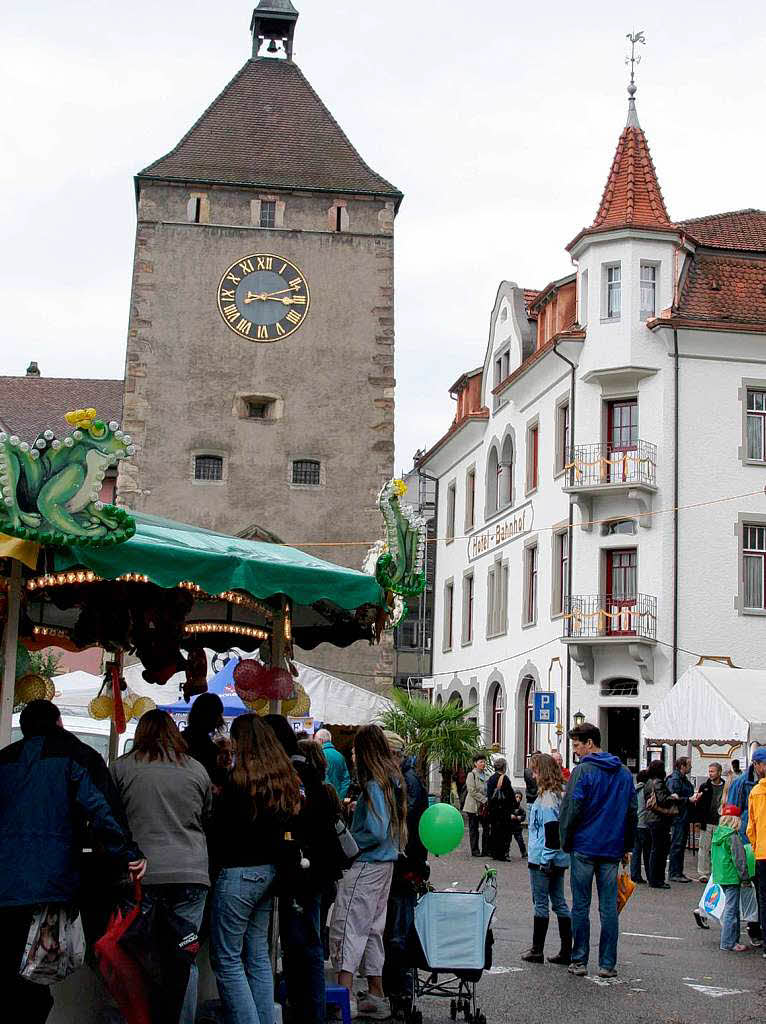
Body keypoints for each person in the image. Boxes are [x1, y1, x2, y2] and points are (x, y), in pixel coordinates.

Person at [0, 700, 145, 1024]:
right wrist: (129, 854)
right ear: (58, 722)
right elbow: (102, 810)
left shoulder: (5, 759)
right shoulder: (75, 754)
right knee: (35, 972)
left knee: (11, 973)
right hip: (49, 882)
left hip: (6, 884)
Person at [111, 710, 212, 1024]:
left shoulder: (121, 768)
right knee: (184, 957)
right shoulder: (197, 770)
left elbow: (109, 820)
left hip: (141, 875)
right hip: (191, 872)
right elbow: (207, 815)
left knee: (137, 955)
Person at [209, 714, 302, 1024]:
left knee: (227, 959)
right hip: (269, 873)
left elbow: (219, 830)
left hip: (237, 872)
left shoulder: (237, 782)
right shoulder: (282, 778)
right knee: (257, 955)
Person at [265, 714, 340, 1024]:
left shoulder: (293, 777)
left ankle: (308, 1012)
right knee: (306, 943)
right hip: (316, 870)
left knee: (303, 945)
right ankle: (309, 1009)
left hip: (303, 870)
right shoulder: (310, 776)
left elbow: (294, 824)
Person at [330, 724, 407, 1020]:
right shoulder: (391, 780)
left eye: (353, 750)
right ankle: (376, 994)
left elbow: (375, 830)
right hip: (385, 864)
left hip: (366, 864)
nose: (351, 754)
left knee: (349, 927)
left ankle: (343, 997)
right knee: (373, 930)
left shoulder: (374, 783)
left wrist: (351, 842)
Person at [559, 722, 637, 979]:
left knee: (580, 905)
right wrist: (627, 845)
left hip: (584, 845)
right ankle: (607, 963)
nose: (576, 751)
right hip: (611, 847)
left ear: (589, 743)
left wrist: (566, 839)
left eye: (577, 745)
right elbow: (631, 812)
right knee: (608, 908)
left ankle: (579, 959)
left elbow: (572, 808)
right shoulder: (624, 774)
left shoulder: (583, 772)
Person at [521, 753, 571, 966]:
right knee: (559, 902)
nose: (533, 774)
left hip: (543, 858)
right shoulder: (558, 793)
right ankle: (566, 949)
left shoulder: (547, 799)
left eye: (535, 770)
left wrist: (545, 860)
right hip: (557, 858)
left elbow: (551, 833)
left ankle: (537, 949)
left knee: (540, 903)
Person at [712, 803, 751, 953]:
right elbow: (739, 860)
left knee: (731, 909)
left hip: (720, 876)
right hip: (732, 877)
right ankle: (728, 942)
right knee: (731, 910)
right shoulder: (733, 837)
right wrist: (745, 877)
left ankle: (732, 940)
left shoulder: (717, 835)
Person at [643, 759, 677, 889]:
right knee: (660, 850)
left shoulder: (648, 782)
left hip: (650, 818)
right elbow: (663, 800)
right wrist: (674, 797)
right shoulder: (659, 783)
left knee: (654, 850)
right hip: (659, 819)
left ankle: (653, 877)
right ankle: (657, 879)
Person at [746, 746, 766, 958]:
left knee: (764, 898)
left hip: (762, 852)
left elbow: (750, 828)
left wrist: (755, 844)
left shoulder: (756, 792)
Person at [182, 692, 226, 788]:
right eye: (219, 715)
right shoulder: (209, 748)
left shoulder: (179, 739)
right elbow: (218, 780)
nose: (220, 720)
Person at [487, 757, 527, 861]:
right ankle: (503, 853)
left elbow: (489, 795)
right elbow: (510, 796)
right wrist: (514, 806)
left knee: (495, 831)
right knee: (505, 833)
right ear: (504, 767)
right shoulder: (505, 779)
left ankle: (494, 853)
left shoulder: (491, 779)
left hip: (494, 810)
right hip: (504, 810)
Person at [695, 762, 726, 883]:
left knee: (718, 849)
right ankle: (703, 873)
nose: (710, 774)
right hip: (706, 821)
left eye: (713, 771)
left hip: (720, 822)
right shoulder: (705, 786)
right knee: (704, 847)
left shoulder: (725, 786)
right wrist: (698, 820)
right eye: (709, 771)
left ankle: (716, 872)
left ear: (719, 772)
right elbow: (700, 804)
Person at [666, 756, 695, 883]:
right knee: (677, 844)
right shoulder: (675, 779)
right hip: (678, 816)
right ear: (682, 766)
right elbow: (673, 797)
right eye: (689, 765)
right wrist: (688, 799)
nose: (691, 767)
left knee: (681, 844)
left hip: (683, 815)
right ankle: (674, 872)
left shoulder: (681, 779)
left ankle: (678, 871)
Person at [463, 753, 490, 858]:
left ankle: (486, 849)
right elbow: (472, 791)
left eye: (484, 761)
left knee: (486, 828)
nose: (483, 764)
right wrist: (484, 799)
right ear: (475, 763)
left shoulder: (487, 775)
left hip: (484, 807)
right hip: (473, 806)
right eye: (481, 762)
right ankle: (475, 850)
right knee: (474, 829)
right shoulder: (472, 775)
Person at [315, 727, 351, 798]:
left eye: (315, 740)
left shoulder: (320, 755)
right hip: (339, 798)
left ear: (321, 741)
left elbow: (323, 778)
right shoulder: (340, 756)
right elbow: (346, 779)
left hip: (324, 798)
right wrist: (340, 797)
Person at [630, 769, 652, 885]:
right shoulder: (646, 790)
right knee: (647, 851)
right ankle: (650, 874)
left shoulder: (633, 789)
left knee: (636, 851)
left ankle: (635, 874)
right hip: (644, 823)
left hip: (635, 823)